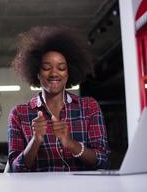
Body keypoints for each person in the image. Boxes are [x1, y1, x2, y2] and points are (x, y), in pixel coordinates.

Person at [8, 26, 110, 172]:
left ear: (69, 73)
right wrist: (35, 141)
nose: (54, 73)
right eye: (46, 67)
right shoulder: (19, 114)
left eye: (61, 68)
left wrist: (70, 143)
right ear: (37, 72)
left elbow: (103, 161)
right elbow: (15, 169)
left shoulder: (89, 107)